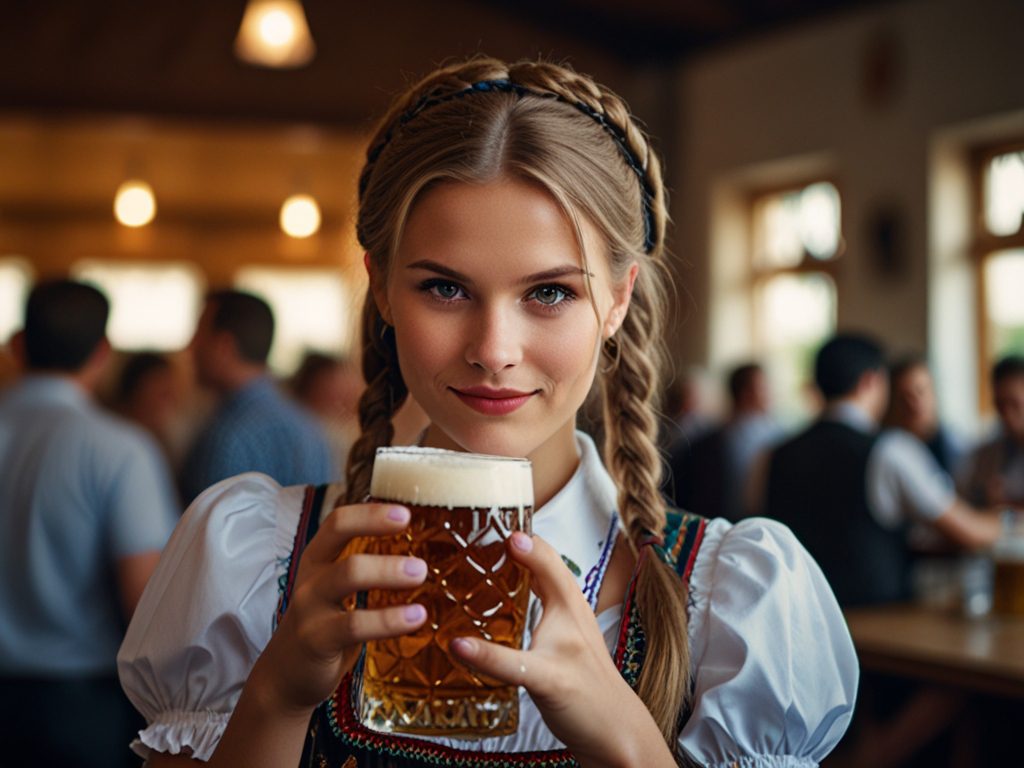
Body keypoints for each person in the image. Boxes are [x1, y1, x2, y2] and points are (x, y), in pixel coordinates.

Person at [119, 57, 857, 767]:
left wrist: (631, 745)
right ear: (380, 288)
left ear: (620, 299)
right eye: (444, 288)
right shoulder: (257, 560)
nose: (494, 350)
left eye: (549, 293)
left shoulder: (726, 602)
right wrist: (276, 696)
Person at [0, 279, 179, 768]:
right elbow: (142, 600)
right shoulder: (119, 449)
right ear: (103, 353)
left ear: (17, 344)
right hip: (79, 706)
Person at [760, 333, 1005, 608]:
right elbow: (970, 532)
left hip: (798, 616)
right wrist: (1007, 518)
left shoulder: (774, 454)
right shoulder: (891, 450)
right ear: (871, 381)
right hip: (877, 625)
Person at [178, 289, 337, 505]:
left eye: (198, 335)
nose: (189, 348)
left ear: (224, 346)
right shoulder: (308, 426)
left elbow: (208, 535)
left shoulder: (229, 435)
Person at [667, 362, 783, 521]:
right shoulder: (705, 445)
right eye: (764, 387)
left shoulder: (777, 437)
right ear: (746, 392)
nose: (770, 393)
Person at [959, 354, 1024, 508]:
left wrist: (1006, 505)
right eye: (1000, 405)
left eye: (1014, 403)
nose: (1007, 414)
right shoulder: (985, 456)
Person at [884, 354, 963, 476]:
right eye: (904, 397)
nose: (914, 404)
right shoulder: (885, 452)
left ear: (934, 393)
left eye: (921, 392)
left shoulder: (959, 449)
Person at [110, 350, 187, 472]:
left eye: (174, 393)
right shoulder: (117, 443)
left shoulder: (162, 442)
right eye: (163, 394)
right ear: (136, 391)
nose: (173, 401)